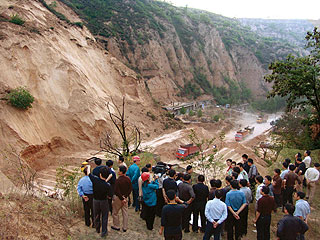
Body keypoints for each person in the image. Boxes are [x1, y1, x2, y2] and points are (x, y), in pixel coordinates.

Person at [88, 165, 113, 238]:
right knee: (104, 216)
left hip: (95, 200)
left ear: (100, 174)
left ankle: (97, 228)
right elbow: (110, 195)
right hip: (104, 201)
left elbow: (89, 173)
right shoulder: (107, 185)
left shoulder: (95, 180)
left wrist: (89, 166)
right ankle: (104, 232)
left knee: (96, 215)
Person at [111, 165, 132, 232]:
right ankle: (125, 227)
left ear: (121, 172)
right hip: (125, 198)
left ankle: (116, 226)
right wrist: (125, 197)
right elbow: (130, 189)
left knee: (115, 212)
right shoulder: (128, 179)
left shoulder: (118, 180)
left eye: (118, 170)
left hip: (118, 198)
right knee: (125, 212)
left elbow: (116, 190)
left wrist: (121, 198)